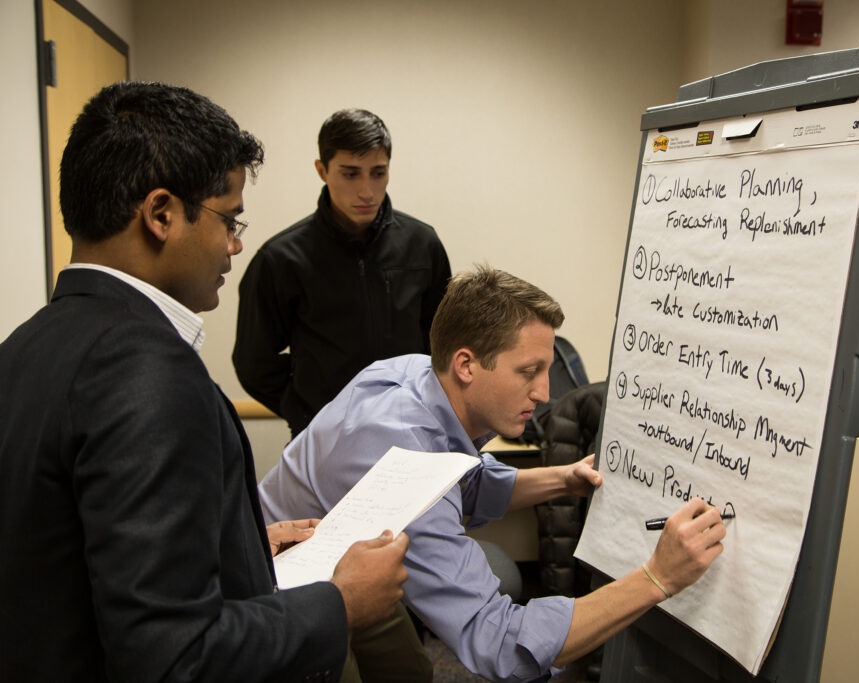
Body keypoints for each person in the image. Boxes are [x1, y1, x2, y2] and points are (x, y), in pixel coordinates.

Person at [0, 81, 410, 682]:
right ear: (162, 215)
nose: (235, 244)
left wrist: (236, 544)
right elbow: (172, 656)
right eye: (229, 219)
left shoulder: (24, 348)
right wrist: (339, 603)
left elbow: (73, 556)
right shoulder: (147, 370)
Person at [260, 265, 727, 682]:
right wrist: (657, 578)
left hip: (348, 552)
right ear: (466, 364)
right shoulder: (403, 456)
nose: (544, 393)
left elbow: (470, 482)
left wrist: (561, 479)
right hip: (281, 587)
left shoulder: (418, 374)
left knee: (410, 671)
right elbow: (497, 640)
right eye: (529, 372)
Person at [233, 108, 452, 438]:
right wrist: (310, 409)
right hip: (325, 439)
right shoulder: (282, 258)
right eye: (351, 174)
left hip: (412, 431)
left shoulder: (422, 244)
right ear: (322, 170)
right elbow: (254, 363)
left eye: (378, 173)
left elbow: (444, 344)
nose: (367, 191)